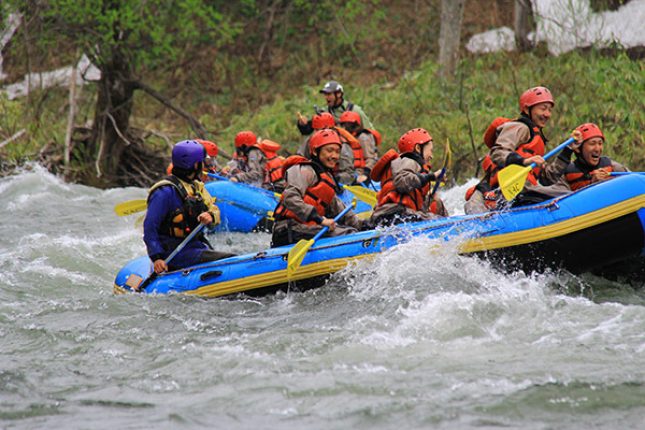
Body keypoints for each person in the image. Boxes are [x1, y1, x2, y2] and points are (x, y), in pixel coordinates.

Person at [464, 86, 564, 214]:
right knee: (473, 210)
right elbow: (498, 153)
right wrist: (524, 161)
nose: (547, 114)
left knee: (563, 193)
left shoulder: (537, 138)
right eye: (543, 109)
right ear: (527, 109)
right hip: (499, 190)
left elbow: (547, 179)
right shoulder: (520, 128)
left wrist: (568, 152)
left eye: (550, 110)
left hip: (524, 189)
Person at [144, 140, 235, 274]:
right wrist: (157, 258)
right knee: (231, 260)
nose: (203, 165)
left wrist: (210, 215)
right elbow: (150, 228)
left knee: (229, 257)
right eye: (201, 162)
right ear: (195, 164)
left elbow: (214, 209)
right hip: (174, 253)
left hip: (195, 246)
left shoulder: (196, 186)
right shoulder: (164, 192)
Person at [271, 129, 368, 247]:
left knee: (354, 230)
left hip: (308, 228)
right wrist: (320, 219)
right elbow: (290, 197)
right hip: (288, 229)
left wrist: (366, 225)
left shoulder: (327, 180)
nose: (334, 156)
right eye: (329, 150)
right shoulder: (304, 170)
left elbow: (341, 211)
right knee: (348, 233)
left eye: (337, 151)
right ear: (316, 152)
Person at [369, 128, 449, 226]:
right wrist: (431, 176)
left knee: (435, 203)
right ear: (418, 148)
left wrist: (429, 198)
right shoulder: (408, 161)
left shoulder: (401, 164)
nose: (431, 156)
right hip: (397, 215)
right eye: (430, 151)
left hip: (386, 217)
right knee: (437, 221)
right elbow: (402, 182)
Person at [539, 122, 629, 196]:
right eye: (592, 143)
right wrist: (592, 184)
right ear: (578, 149)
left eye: (600, 143)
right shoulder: (567, 174)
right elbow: (561, 197)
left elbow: (631, 180)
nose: (597, 149)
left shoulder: (612, 166)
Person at [296, 80, 374, 136]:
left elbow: (371, 132)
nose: (326, 97)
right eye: (325, 94)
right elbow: (308, 130)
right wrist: (303, 124)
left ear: (339, 94)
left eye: (329, 94)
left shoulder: (355, 110)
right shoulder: (324, 112)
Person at [338, 110, 380, 184]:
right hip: (348, 171)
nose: (345, 128)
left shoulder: (363, 137)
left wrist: (365, 174)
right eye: (343, 125)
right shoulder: (343, 138)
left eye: (349, 125)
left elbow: (370, 159)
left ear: (355, 125)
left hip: (361, 173)